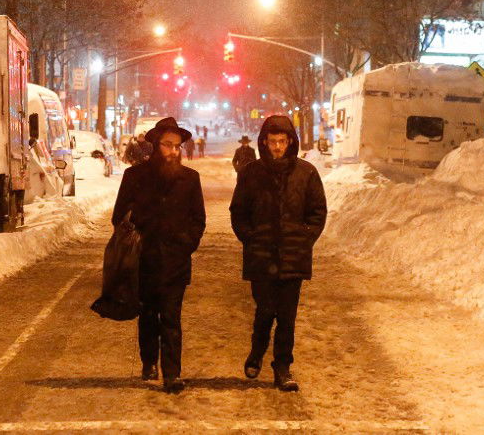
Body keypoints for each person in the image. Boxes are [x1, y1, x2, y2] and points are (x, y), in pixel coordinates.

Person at [229, 115, 327, 392]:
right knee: (265, 310)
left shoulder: (306, 173)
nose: (277, 147)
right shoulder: (251, 173)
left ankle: (282, 366)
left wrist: (305, 238)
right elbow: (239, 212)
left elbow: (318, 211)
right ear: (263, 142)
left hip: (294, 256)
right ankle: (257, 351)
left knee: (287, 315)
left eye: (282, 142)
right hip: (261, 255)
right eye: (272, 142)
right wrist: (250, 238)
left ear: (290, 142)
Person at [111, 117, 205, 393]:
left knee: (172, 317)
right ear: (155, 145)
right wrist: (135, 233)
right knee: (149, 314)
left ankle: (172, 373)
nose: (174, 151)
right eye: (168, 145)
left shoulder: (190, 179)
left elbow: (198, 219)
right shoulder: (134, 177)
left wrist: (187, 243)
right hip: (144, 260)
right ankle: (149, 361)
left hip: (176, 261)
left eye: (177, 146)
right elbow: (118, 216)